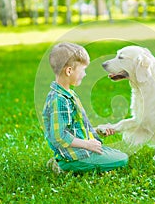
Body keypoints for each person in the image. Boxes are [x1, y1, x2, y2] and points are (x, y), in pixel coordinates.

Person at [42, 42, 128, 173]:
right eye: (83, 70)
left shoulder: (68, 94)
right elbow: (59, 136)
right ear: (69, 71)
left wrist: (97, 131)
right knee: (122, 159)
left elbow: (74, 129)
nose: (85, 74)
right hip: (76, 158)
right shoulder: (59, 100)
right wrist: (87, 144)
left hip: (80, 151)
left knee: (110, 151)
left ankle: (61, 161)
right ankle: (63, 165)